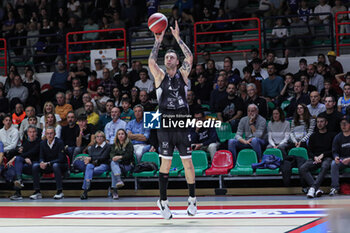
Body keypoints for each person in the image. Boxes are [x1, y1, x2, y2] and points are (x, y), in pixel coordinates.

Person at [148, 20, 197, 219]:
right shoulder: (159, 76)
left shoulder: (183, 74)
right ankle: (164, 202)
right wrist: (158, 41)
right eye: (166, 57)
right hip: (165, 125)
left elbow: (190, 57)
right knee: (165, 165)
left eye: (172, 56)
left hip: (182, 125)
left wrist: (177, 39)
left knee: (188, 164)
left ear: (177, 62)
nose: (168, 58)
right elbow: (151, 61)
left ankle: (192, 200)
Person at [299, 114, 336, 198]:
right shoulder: (313, 136)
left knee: (325, 165)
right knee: (302, 168)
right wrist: (315, 157)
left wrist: (323, 155)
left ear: (326, 123)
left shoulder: (332, 135)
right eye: (318, 122)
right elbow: (310, 151)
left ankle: (312, 188)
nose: (319, 124)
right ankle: (316, 188)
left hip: (327, 157)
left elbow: (333, 150)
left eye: (321, 121)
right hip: (315, 158)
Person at [31, 126, 67, 200]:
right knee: (35, 166)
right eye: (48, 133)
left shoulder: (60, 142)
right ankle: (37, 191)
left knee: (55, 165)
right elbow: (41, 156)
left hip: (60, 165)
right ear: (45, 134)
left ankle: (59, 191)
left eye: (51, 133)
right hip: (48, 165)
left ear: (55, 134)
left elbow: (61, 158)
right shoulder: (42, 143)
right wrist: (41, 162)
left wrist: (48, 163)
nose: (49, 135)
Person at [73, 131, 111, 200]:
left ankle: (85, 191)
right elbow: (91, 156)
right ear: (95, 138)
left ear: (104, 138)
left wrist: (91, 159)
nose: (99, 138)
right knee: (87, 166)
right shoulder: (92, 147)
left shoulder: (107, 146)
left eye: (101, 137)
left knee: (89, 170)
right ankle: (87, 187)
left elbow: (103, 157)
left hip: (103, 165)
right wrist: (89, 159)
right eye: (97, 137)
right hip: (93, 164)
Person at [9, 125, 41, 200]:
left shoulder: (40, 142)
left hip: (36, 164)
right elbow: (24, 154)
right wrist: (24, 158)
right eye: (30, 132)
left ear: (36, 133)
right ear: (27, 133)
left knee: (18, 160)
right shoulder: (26, 142)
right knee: (16, 165)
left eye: (33, 132)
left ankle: (36, 191)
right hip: (27, 165)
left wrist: (16, 157)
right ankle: (18, 188)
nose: (32, 134)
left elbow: (33, 152)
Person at [110, 128, 134, 199]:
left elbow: (129, 155)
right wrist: (114, 158)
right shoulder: (114, 145)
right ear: (117, 136)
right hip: (118, 165)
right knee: (113, 163)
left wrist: (120, 157)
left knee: (113, 169)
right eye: (119, 134)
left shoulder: (129, 144)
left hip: (128, 165)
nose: (121, 136)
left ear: (125, 135)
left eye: (122, 134)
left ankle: (115, 191)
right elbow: (111, 154)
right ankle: (119, 181)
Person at [330, 115, 350, 196]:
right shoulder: (337, 137)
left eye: (345, 124)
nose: (343, 126)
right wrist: (336, 157)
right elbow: (334, 151)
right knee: (334, 164)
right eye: (342, 124)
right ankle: (335, 188)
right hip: (342, 159)